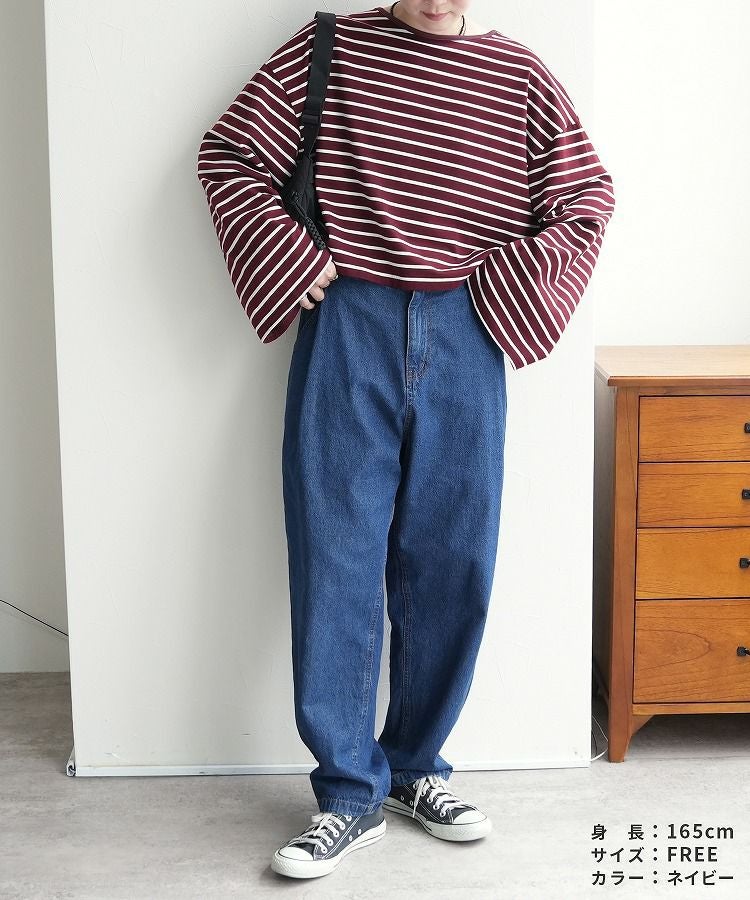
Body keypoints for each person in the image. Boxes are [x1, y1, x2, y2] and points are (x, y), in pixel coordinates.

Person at [197, 1, 615, 881]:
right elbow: (230, 155)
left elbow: (586, 197)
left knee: (454, 561)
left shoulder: (519, 75)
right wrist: (291, 256)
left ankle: (416, 767)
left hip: (470, 330)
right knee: (336, 559)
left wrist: (511, 289)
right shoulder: (330, 47)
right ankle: (349, 792)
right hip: (349, 324)